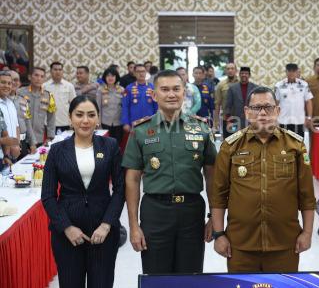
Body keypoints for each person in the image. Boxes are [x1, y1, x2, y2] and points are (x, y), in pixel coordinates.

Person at [210, 86, 316, 272]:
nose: (263, 113)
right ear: (247, 112)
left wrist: (307, 233)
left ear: (278, 110)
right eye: (256, 108)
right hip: (241, 245)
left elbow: (307, 196)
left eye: (268, 107)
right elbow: (219, 195)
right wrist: (219, 234)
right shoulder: (230, 147)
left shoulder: (295, 146)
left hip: (284, 243)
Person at [122, 70, 217, 274]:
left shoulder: (201, 129)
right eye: (164, 89)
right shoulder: (140, 131)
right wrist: (134, 225)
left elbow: (212, 176)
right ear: (154, 95)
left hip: (192, 212)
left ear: (184, 93)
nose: (171, 94)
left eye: (176, 89)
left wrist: (213, 217)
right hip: (155, 212)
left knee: (190, 277)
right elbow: (132, 180)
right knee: (156, 276)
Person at [41, 95, 125, 288]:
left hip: (103, 232)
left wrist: (106, 225)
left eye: (91, 115)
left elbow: (120, 189)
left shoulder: (110, 146)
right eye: (79, 115)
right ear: (70, 118)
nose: (85, 120)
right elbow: (48, 196)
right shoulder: (57, 150)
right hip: (67, 234)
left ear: (97, 119)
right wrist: (67, 227)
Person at [18, 67, 56, 147]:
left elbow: (51, 118)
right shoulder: (20, 93)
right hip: (22, 137)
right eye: (36, 75)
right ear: (29, 77)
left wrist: (50, 137)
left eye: (42, 76)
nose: (39, 78)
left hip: (39, 137)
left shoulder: (48, 96)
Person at [274, 63, 313, 138]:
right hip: (283, 121)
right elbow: (276, 103)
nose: (291, 73)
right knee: (284, 145)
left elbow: (308, 102)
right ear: (286, 72)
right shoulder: (279, 85)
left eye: (293, 71)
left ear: (297, 72)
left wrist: (309, 117)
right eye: (289, 71)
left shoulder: (304, 84)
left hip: (299, 121)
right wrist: (275, 119)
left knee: (298, 145)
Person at [121, 64, 157, 133]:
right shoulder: (128, 88)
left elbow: (156, 105)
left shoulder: (152, 87)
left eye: (143, 71)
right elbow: (125, 106)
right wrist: (125, 123)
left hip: (150, 123)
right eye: (138, 71)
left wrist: (158, 121)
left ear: (146, 72)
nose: (141, 73)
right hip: (134, 123)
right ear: (134, 73)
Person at [44, 62, 77, 134]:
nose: (58, 72)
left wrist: (73, 121)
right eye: (55, 69)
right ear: (50, 71)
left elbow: (74, 105)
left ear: (62, 71)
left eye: (60, 69)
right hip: (49, 123)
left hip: (65, 122)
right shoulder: (44, 86)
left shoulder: (69, 86)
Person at [9, 70, 35, 158]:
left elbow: (27, 123)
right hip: (7, 144)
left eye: (16, 80)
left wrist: (32, 143)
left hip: (23, 143)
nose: (13, 82)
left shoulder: (23, 100)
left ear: (19, 83)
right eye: (10, 80)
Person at [224, 66, 257, 134]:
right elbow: (228, 106)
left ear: (249, 75)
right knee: (237, 141)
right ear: (239, 75)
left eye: (246, 73)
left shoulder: (255, 88)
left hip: (251, 120)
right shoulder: (232, 88)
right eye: (242, 73)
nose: (244, 75)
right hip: (236, 120)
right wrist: (228, 120)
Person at [96, 67, 125, 144]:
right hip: (105, 123)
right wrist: (98, 124)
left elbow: (125, 107)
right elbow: (98, 108)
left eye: (113, 76)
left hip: (119, 123)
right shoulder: (100, 90)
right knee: (106, 145)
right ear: (105, 77)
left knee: (117, 144)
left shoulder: (122, 90)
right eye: (108, 76)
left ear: (116, 77)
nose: (110, 78)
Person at [0, 71, 20, 163]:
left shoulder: (11, 103)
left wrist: (17, 145)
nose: (7, 86)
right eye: (3, 82)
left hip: (13, 154)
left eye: (9, 83)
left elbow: (16, 126)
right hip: (2, 155)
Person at [214, 63, 238, 137]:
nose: (230, 70)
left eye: (232, 68)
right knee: (228, 142)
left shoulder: (241, 83)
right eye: (228, 69)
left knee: (241, 143)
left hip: (240, 119)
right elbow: (217, 104)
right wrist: (216, 121)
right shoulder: (221, 85)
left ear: (236, 70)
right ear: (225, 71)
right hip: (227, 119)